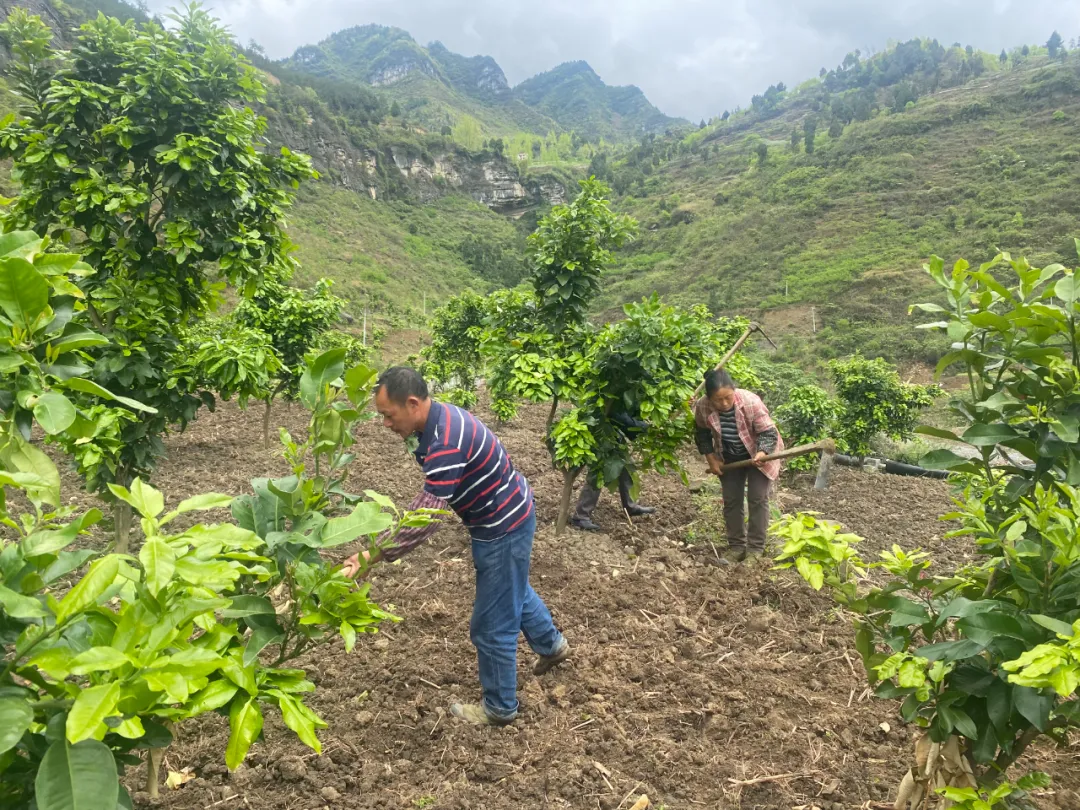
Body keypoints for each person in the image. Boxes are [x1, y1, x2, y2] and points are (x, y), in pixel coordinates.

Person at [341, 367, 569, 726]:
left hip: (501, 526)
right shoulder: (433, 421)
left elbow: (426, 515)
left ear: (413, 403)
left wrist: (373, 554)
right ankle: (552, 646)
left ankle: (500, 708)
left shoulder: (446, 440)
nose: (385, 424)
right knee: (511, 589)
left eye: (388, 415)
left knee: (491, 624)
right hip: (507, 512)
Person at [693, 369, 783, 562]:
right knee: (731, 500)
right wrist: (711, 459)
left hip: (758, 453)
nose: (724, 404)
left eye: (728, 397)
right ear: (708, 398)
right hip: (729, 456)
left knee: (757, 498)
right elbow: (701, 433)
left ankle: (755, 550)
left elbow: (768, 432)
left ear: (734, 390)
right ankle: (736, 547)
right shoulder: (702, 406)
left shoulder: (751, 402)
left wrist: (762, 453)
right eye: (718, 400)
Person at [571, 406, 655, 531]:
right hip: (600, 430)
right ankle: (581, 516)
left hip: (613, 431)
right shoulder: (612, 391)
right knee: (598, 472)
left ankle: (630, 506)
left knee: (626, 466)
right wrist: (647, 430)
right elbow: (622, 418)